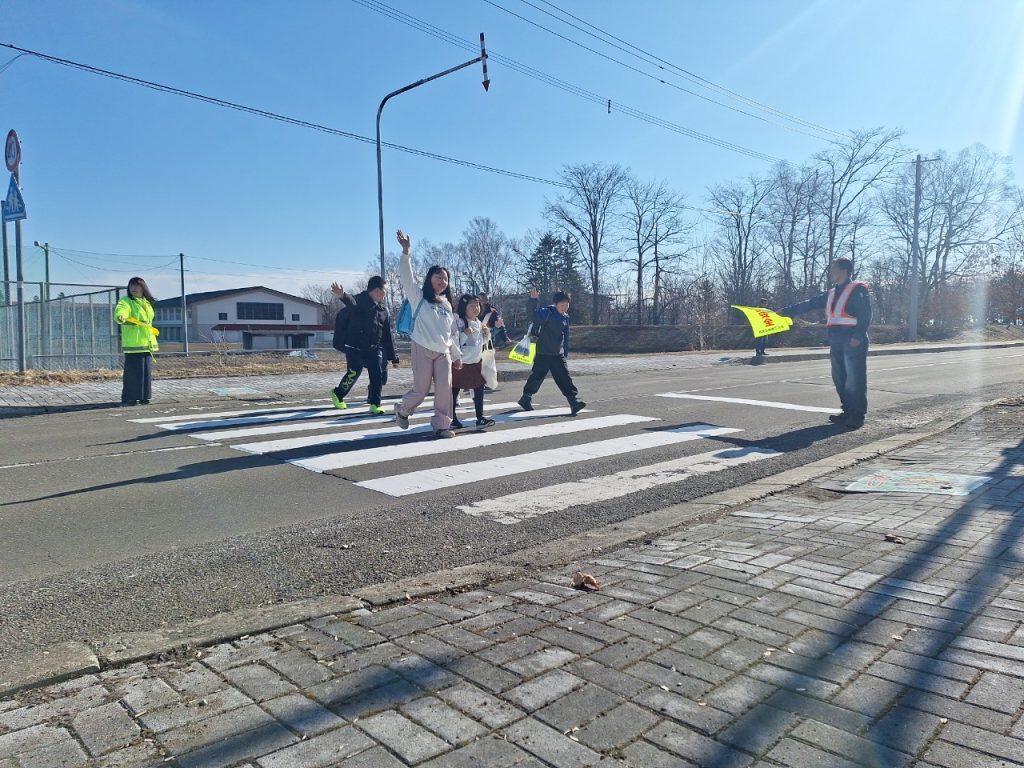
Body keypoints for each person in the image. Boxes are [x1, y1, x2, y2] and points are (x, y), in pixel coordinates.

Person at [781, 257, 872, 429]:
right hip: (836, 339)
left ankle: (857, 415)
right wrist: (786, 312)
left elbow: (865, 314)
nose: (830, 272)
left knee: (855, 379)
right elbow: (810, 304)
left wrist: (858, 336)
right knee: (840, 378)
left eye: (834, 269)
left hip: (853, 340)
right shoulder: (832, 292)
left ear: (844, 270)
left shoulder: (858, 290)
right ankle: (847, 411)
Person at [394, 229, 463, 439]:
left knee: (444, 390)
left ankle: (442, 425)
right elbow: (406, 277)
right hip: (421, 348)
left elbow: (450, 333)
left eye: (445, 279)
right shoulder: (418, 297)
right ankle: (403, 409)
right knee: (421, 389)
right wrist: (406, 252)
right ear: (430, 278)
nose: (442, 281)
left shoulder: (447, 305)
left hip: (443, 353)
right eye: (438, 277)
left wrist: (457, 355)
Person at [329, 276, 399, 415]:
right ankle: (337, 394)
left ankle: (375, 404)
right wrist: (342, 295)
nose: (386, 294)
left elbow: (387, 335)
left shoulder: (382, 310)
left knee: (377, 374)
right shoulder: (360, 300)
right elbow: (351, 301)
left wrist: (393, 357)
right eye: (385, 290)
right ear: (379, 290)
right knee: (354, 373)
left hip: (373, 348)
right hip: (355, 347)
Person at [518, 287, 586, 416]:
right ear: (556, 304)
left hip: (557, 354)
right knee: (537, 377)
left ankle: (574, 402)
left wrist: (565, 352)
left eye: (567, 304)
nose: (565, 307)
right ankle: (526, 398)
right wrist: (533, 300)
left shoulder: (565, 317)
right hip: (543, 352)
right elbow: (532, 315)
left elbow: (565, 336)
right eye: (562, 304)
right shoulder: (547, 312)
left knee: (565, 378)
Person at [451, 294, 497, 430]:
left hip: (475, 362)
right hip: (461, 363)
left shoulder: (478, 322)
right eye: (471, 305)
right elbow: (455, 343)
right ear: (464, 308)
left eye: (477, 305)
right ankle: (452, 417)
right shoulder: (460, 322)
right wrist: (465, 333)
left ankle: (480, 418)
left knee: (479, 388)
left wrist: (486, 334)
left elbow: (480, 343)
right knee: (454, 390)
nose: (475, 308)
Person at [114, 276, 159, 406]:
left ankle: (145, 397)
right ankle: (130, 398)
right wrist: (120, 316)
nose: (133, 288)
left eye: (137, 285)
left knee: (145, 373)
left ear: (143, 288)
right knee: (132, 374)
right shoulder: (126, 301)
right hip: (134, 344)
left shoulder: (146, 303)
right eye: (131, 285)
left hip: (147, 344)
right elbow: (121, 310)